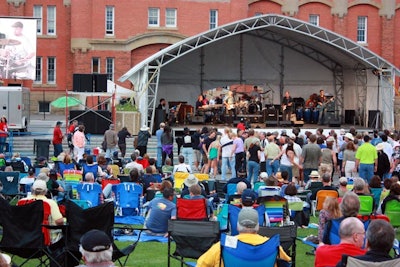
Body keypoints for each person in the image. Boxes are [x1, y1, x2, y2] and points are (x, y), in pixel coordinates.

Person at [197, 208, 291, 267]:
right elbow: (287, 262)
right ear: (258, 226)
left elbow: (201, 264)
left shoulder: (224, 245)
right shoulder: (271, 245)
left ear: (237, 226)